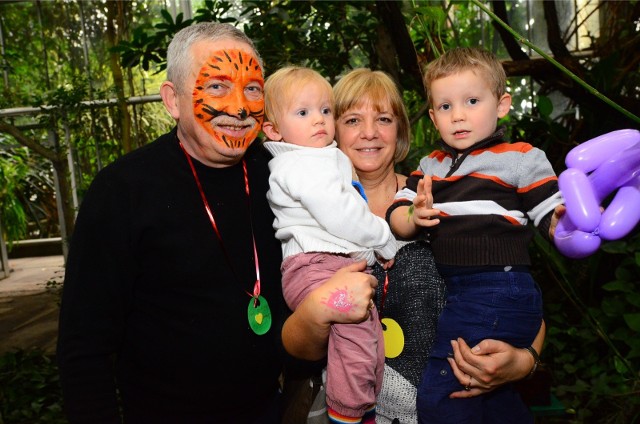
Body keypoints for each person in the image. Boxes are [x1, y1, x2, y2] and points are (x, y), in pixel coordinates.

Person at [56, 22, 378, 424]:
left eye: (253, 89)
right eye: (218, 86)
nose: (240, 107)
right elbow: (84, 347)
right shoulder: (122, 191)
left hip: (269, 409)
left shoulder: (280, 172)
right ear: (173, 101)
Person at [332, 67, 547, 424]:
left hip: (455, 399)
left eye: (383, 118)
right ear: (331, 128)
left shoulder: (444, 191)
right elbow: (290, 337)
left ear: (401, 128)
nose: (369, 132)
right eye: (353, 119)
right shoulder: (304, 212)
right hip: (347, 409)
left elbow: (510, 292)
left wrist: (523, 363)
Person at [387, 47, 563, 423]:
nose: (459, 115)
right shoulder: (430, 167)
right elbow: (397, 219)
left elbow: (551, 214)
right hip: (463, 293)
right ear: (433, 117)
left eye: (471, 101)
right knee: (486, 396)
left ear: (502, 105)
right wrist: (414, 215)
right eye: (446, 107)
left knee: (442, 395)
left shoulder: (520, 157)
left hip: (497, 287)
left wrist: (570, 223)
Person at [261, 66, 395, 424]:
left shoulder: (324, 160)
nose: (319, 120)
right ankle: (346, 413)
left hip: (332, 264)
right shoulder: (301, 163)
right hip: (316, 266)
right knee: (354, 327)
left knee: (367, 338)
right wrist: (383, 239)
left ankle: (360, 404)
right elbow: (340, 214)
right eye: (352, 119)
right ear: (274, 130)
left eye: (325, 111)